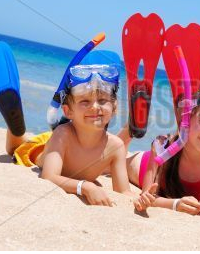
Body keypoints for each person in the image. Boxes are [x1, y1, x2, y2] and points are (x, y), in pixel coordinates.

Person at [9, 64, 134, 206]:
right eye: (85, 101)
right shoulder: (63, 134)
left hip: (55, 140)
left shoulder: (116, 146)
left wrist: (144, 199)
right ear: (68, 111)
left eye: (102, 101)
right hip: (37, 150)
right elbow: (48, 176)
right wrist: (86, 187)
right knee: (15, 147)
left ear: (114, 107)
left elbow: (123, 192)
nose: (95, 107)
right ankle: (14, 127)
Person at [118, 89, 200, 216]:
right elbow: (147, 197)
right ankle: (133, 124)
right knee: (115, 157)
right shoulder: (162, 146)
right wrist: (175, 204)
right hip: (139, 164)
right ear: (186, 119)